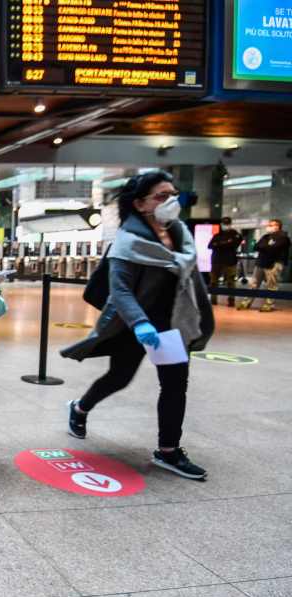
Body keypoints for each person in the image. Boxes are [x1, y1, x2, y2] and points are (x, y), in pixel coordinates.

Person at [61, 171, 215, 480]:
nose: (171, 201)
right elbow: (120, 290)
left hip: (171, 325)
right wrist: (141, 323)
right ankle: (80, 407)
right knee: (120, 377)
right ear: (140, 204)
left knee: (174, 386)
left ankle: (168, 450)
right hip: (134, 325)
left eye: (174, 194)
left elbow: (190, 281)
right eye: (161, 196)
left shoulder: (181, 235)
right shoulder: (128, 242)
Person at [237, 218, 290, 312]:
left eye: (271, 225)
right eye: (269, 225)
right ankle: (246, 302)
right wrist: (267, 246)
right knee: (253, 284)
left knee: (271, 285)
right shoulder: (266, 236)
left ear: (277, 226)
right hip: (261, 262)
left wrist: (264, 247)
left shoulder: (283, 237)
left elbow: (274, 249)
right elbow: (256, 246)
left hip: (274, 264)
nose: (269, 227)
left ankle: (269, 305)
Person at [208, 216, 243, 306]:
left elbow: (233, 244)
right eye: (224, 224)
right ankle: (213, 300)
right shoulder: (217, 235)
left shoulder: (236, 234)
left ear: (230, 224)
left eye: (227, 224)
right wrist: (226, 243)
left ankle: (231, 300)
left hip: (230, 261)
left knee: (231, 282)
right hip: (216, 261)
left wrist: (219, 244)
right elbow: (210, 245)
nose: (225, 225)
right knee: (213, 281)